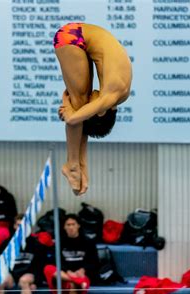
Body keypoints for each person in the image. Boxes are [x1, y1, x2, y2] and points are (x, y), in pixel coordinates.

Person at [54, 22, 132, 196]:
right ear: (101, 111)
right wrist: (68, 108)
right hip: (72, 37)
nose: (92, 99)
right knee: (79, 104)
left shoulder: (120, 96)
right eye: (93, 105)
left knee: (80, 104)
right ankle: (72, 164)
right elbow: (73, 118)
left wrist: (85, 169)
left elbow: (82, 115)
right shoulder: (111, 93)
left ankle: (79, 165)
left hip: (77, 37)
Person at [0, 214, 53, 294]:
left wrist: (36, 282)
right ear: (14, 226)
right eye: (18, 225)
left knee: (24, 281)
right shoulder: (7, 244)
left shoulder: (36, 244)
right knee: (0, 281)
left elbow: (41, 266)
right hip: (12, 274)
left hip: (28, 274)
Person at [44, 214, 99, 294]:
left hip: (81, 275)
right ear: (64, 227)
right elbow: (55, 261)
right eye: (68, 225)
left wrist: (83, 269)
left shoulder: (88, 242)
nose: (70, 227)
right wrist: (67, 271)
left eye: (73, 224)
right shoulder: (59, 242)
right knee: (48, 268)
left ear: (78, 226)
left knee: (74, 285)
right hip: (64, 275)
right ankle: (74, 280)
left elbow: (94, 262)